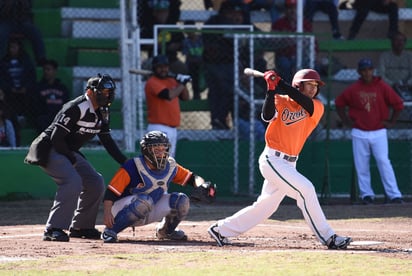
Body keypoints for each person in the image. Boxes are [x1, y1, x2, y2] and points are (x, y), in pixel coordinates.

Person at [208, 68, 353, 249]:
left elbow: (304, 102)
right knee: (306, 190)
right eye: (309, 84)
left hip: (289, 164)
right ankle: (329, 237)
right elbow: (267, 115)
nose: (313, 89)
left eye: (316, 85)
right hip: (273, 160)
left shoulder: (316, 106)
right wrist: (271, 89)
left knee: (265, 207)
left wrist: (281, 83)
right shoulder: (281, 100)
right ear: (299, 85)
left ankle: (220, 230)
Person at [24, 74, 128, 242]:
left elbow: (107, 141)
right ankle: (53, 229)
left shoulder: (103, 111)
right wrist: (71, 159)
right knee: (72, 181)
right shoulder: (76, 107)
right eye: (103, 91)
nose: (107, 95)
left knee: (95, 182)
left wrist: (125, 162)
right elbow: (56, 138)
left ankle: (81, 227)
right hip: (49, 148)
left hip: (67, 151)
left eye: (110, 91)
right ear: (90, 91)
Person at [101, 130, 215, 243]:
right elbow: (111, 192)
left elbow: (192, 178)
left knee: (181, 200)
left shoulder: (170, 166)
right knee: (144, 201)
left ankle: (166, 231)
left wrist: (202, 185)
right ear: (146, 151)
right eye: (156, 150)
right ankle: (110, 231)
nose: (161, 153)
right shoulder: (132, 165)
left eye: (163, 149)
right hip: (121, 209)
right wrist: (107, 213)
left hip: (148, 207)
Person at [335, 58, 404, 204]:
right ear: (359, 72)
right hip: (359, 131)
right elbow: (339, 103)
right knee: (362, 165)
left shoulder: (382, 86)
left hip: (379, 131)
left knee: (384, 161)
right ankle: (366, 195)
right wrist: (347, 121)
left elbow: (398, 104)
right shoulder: (354, 88)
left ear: (373, 70)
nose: (367, 73)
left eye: (369, 69)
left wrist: (391, 122)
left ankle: (394, 195)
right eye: (364, 70)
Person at [203, 1, 254, 129]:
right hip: (216, 66)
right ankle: (219, 121)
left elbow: (257, 45)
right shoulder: (213, 24)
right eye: (231, 13)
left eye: (238, 13)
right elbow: (211, 52)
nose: (235, 17)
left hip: (239, 67)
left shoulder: (246, 26)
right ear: (224, 13)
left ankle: (241, 123)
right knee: (222, 87)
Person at [144, 54, 190, 157]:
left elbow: (186, 98)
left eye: (165, 67)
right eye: (160, 67)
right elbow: (169, 95)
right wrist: (182, 84)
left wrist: (182, 83)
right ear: (154, 68)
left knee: (168, 163)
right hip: (158, 127)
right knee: (158, 161)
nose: (163, 69)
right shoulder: (152, 82)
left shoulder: (171, 81)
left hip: (172, 129)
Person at [0, 38, 36, 146]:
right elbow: (2, 79)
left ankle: (23, 116)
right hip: (9, 93)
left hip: (24, 93)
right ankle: (16, 116)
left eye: (15, 47)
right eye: (11, 47)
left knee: (29, 95)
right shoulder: (3, 62)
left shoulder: (26, 61)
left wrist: (25, 87)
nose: (13, 49)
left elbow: (31, 77)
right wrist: (9, 88)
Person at [138, 0, 188, 75]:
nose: (162, 15)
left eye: (164, 12)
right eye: (159, 12)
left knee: (184, 69)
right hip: (154, 59)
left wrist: (174, 46)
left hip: (171, 60)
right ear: (154, 13)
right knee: (145, 68)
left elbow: (182, 42)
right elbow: (142, 45)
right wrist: (155, 44)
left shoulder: (173, 27)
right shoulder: (150, 28)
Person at [271, 0, 315, 82]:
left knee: (308, 65)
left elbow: (313, 44)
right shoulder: (279, 23)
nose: (291, 11)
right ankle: (289, 89)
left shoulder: (305, 24)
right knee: (285, 64)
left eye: (294, 8)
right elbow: (272, 42)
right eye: (289, 8)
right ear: (285, 10)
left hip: (301, 56)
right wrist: (284, 41)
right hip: (284, 56)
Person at [0, 0, 46, 65]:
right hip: (6, 21)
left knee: (35, 32)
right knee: (1, 33)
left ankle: (41, 58)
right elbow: (2, 10)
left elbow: (28, 7)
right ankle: (1, 58)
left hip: (22, 21)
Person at [31, 59, 70, 133]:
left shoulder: (62, 88)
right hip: (45, 117)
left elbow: (66, 104)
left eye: (48, 69)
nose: (46, 72)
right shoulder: (38, 87)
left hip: (59, 116)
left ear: (55, 71)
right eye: (44, 69)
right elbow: (35, 105)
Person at [378, 31, 412, 101]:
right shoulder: (384, 56)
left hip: (408, 88)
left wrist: (408, 83)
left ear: (405, 43)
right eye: (397, 40)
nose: (399, 43)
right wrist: (392, 84)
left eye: (402, 40)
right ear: (392, 42)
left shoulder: (410, 56)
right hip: (389, 88)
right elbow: (381, 75)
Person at [182, 20, 205, 100]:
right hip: (192, 65)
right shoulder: (186, 41)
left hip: (203, 64)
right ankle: (196, 94)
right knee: (193, 69)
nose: (189, 31)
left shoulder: (202, 39)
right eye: (186, 29)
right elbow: (187, 55)